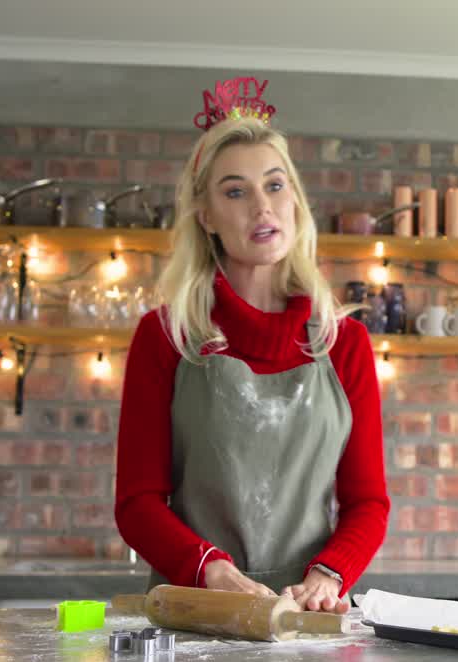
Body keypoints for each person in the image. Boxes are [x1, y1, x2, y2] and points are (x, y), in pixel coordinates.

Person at [114, 94, 389, 615]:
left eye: (274, 185)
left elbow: (368, 502)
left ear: (294, 201)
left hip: (309, 615)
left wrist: (329, 574)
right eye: (235, 192)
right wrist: (210, 570)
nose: (262, 206)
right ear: (207, 217)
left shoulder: (344, 341)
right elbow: (137, 502)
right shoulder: (166, 335)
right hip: (196, 607)